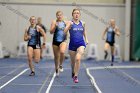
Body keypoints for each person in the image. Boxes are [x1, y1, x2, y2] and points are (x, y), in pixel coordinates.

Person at [64, 8, 88, 83]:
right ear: (72, 15)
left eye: (78, 13)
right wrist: (69, 26)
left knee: (78, 59)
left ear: (80, 15)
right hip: (72, 45)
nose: (76, 14)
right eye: (75, 13)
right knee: (72, 62)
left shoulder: (83, 23)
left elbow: (84, 31)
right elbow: (64, 32)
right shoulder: (69, 22)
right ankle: (73, 71)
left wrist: (86, 39)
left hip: (81, 43)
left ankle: (76, 76)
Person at [50, 11, 68, 76]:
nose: (59, 16)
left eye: (60, 15)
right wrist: (55, 26)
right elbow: (51, 32)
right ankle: (56, 69)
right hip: (55, 41)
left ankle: (60, 65)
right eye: (58, 15)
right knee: (56, 57)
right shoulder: (54, 22)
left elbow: (69, 28)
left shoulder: (65, 22)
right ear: (56, 16)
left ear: (62, 16)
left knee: (62, 52)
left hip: (63, 41)